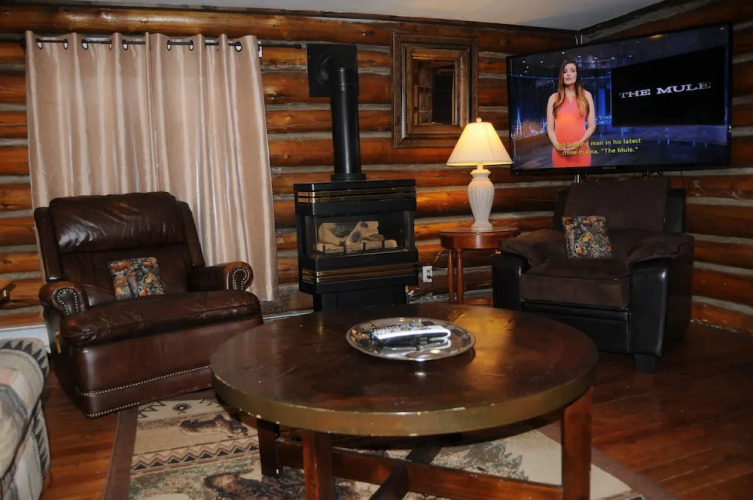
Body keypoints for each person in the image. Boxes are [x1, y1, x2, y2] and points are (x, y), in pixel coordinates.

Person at [546, 59, 596, 167]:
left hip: (582, 151)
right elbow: (550, 129)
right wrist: (558, 146)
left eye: (572, 71)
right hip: (559, 153)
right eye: (565, 71)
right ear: (562, 76)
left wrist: (579, 143)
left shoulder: (586, 96)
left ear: (577, 74)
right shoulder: (553, 98)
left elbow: (592, 126)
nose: (568, 74)